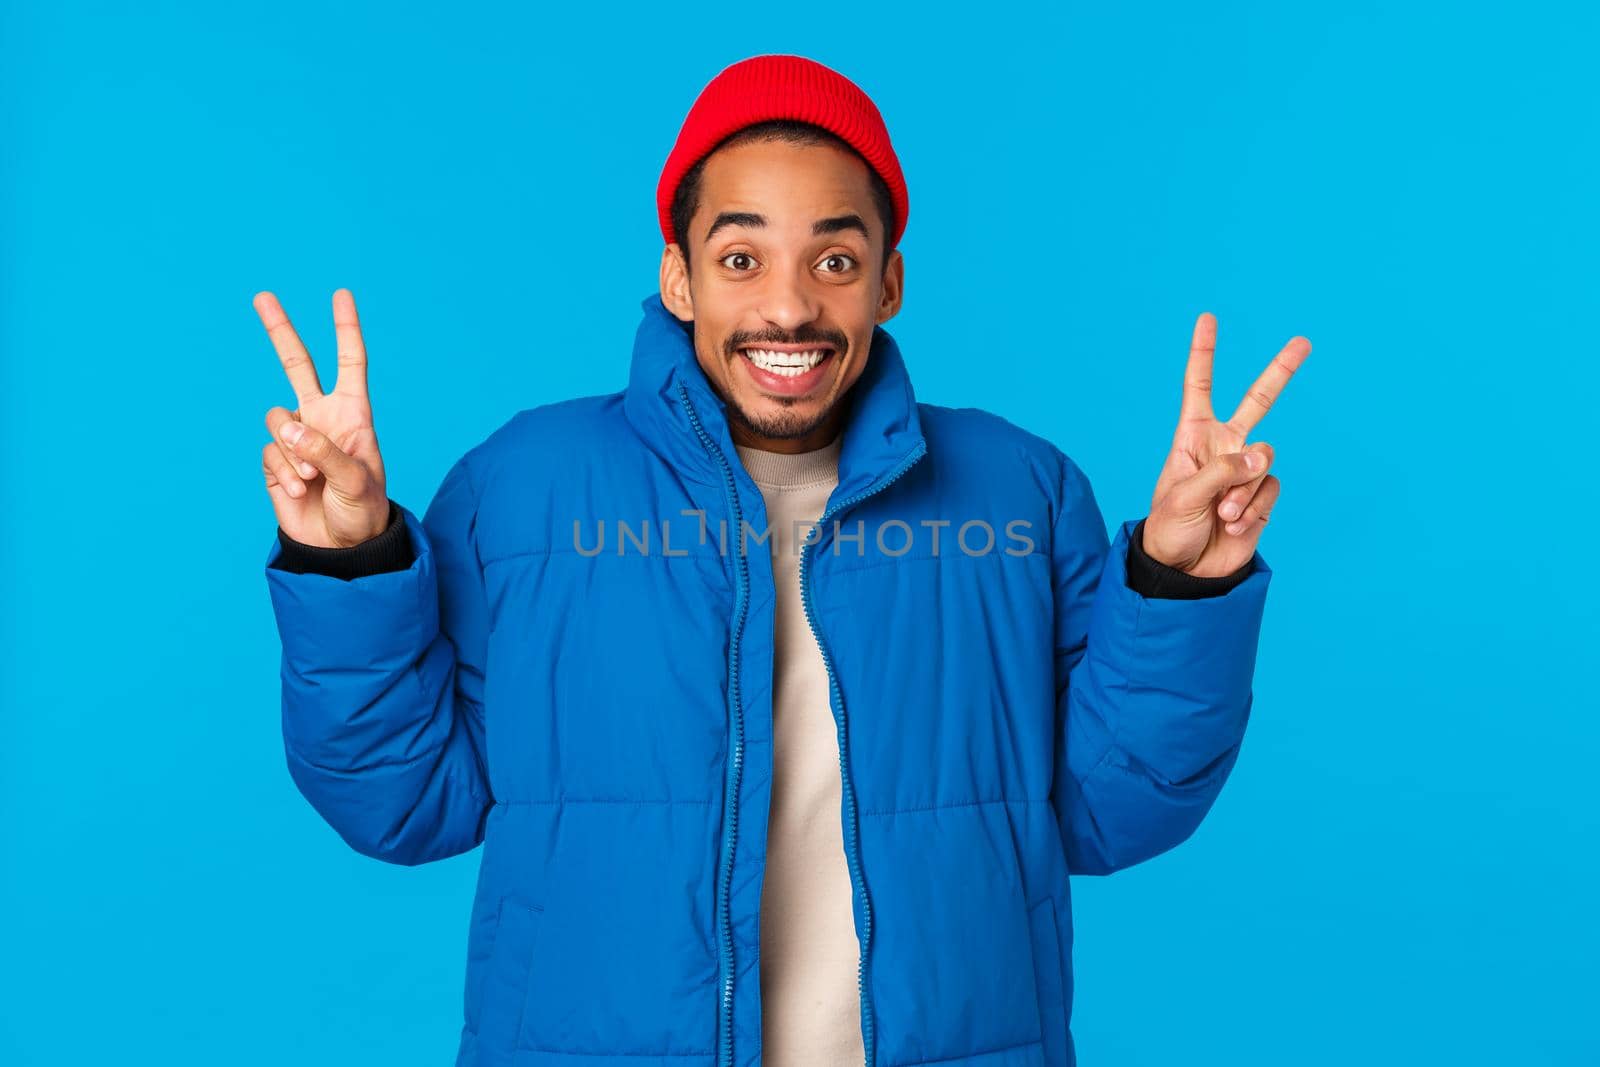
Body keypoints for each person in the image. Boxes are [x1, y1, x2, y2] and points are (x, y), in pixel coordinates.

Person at [256, 53, 1308, 1067]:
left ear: (888, 281)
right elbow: (403, 801)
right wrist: (346, 562)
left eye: (835, 259)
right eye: (741, 256)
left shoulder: (1016, 491)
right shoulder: (525, 487)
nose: (790, 307)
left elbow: (1111, 807)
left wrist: (1183, 580)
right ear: (679, 277)